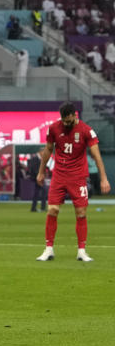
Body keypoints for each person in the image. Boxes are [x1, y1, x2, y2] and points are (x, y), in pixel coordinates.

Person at [35, 102, 111, 262]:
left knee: (81, 213)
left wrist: (104, 178)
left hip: (78, 177)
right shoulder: (54, 128)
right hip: (59, 175)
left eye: (69, 121)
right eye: (64, 121)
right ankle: (48, 249)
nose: (66, 124)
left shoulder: (86, 131)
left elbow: (97, 156)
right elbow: (48, 149)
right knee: (52, 210)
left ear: (75, 115)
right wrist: (41, 172)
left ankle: (81, 251)